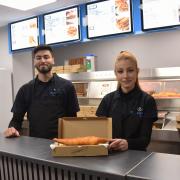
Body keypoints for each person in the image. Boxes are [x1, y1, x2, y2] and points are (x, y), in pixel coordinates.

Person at [4, 45, 80, 139]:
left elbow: (72, 118)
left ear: (53, 60)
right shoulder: (25, 89)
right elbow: (16, 119)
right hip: (35, 145)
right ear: (34, 62)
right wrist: (12, 129)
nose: (43, 60)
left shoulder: (67, 86)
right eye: (38, 58)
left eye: (46, 57)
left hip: (61, 144)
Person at [96, 51, 157, 151]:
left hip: (136, 158)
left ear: (137, 71)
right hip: (110, 157)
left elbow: (145, 140)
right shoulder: (107, 100)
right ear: (115, 74)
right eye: (120, 71)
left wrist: (128, 143)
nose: (125, 76)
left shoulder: (147, 101)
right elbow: (100, 134)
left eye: (130, 70)